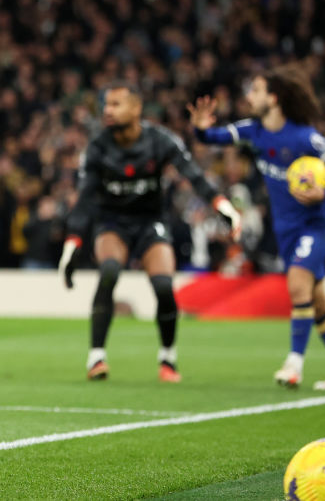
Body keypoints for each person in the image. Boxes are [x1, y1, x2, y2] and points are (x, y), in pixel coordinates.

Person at [189, 64, 325, 390]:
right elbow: (214, 136)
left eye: (255, 90)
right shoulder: (254, 131)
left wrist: (323, 192)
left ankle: (293, 365)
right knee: (318, 301)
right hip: (286, 230)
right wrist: (199, 129)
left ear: (275, 97)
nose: (249, 96)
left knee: (298, 284)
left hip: (316, 225)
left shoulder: (303, 137)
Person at [58, 81, 242, 382]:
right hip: (113, 222)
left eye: (116, 104)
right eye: (106, 104)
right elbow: (85, 199)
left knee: (163, 287)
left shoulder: (160, 140)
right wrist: (73, 242)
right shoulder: (98, 148)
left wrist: (221, 203)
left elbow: (193, 174)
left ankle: (168, 358)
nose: (108, 110)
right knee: (109, 271)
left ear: (136, 108)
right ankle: (96, 357)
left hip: (150, 221)